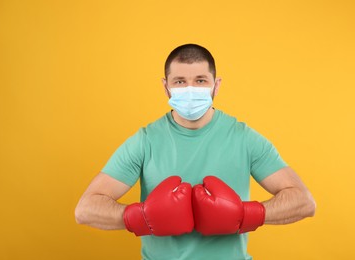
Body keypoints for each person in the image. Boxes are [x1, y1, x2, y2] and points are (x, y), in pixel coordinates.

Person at [75, 43, 316, 259]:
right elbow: (85, 209)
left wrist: (245, 215)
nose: (190, 89)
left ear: (216, 85)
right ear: (166, 87)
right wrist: (142, 218)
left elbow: (303, 202)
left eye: (200, 80)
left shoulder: (244, 138)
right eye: (180, 81)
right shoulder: (145, 141)